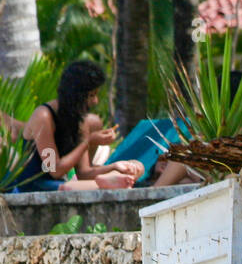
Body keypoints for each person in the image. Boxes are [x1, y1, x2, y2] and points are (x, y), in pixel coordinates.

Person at [10, 60, 145, 193]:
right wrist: (88, 141)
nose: (95, 101)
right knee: (68, 188)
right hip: (33, 185)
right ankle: (109, 184)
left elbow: (84, 173)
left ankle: (112, 182)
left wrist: (115, 166)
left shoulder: (78, 120)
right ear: (75, 94)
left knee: (138, 166)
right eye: (91, 95)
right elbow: (54, 170)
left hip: (59, 183)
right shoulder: (43, 117)